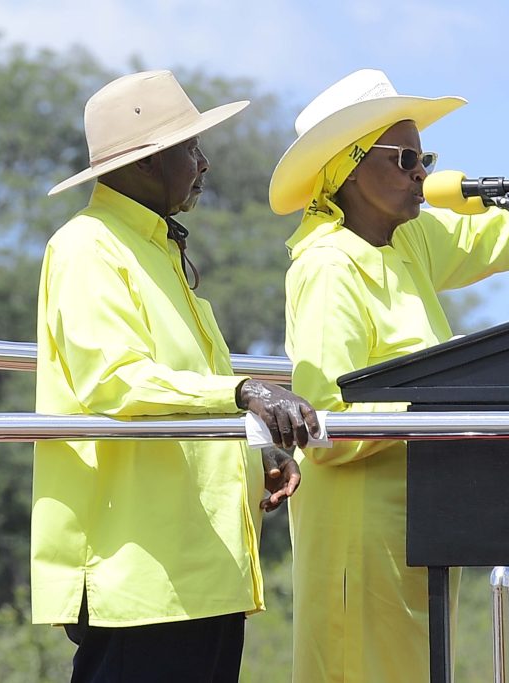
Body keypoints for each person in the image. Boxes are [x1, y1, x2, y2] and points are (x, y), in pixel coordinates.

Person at [269, 25, 509, 682]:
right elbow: (325, 423)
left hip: (420, 523)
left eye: (424, 157)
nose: (422, 172)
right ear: (350, 169)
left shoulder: (407, 241)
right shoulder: (327, 266)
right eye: (405, 158)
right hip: (359, 537)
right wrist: (437, 409)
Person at [33, 70, 320, 683]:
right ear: (146, 160)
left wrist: (257, 453)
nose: (204, 163)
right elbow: (115, 381)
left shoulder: (157, 248)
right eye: (190, 148)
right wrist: (245, 393)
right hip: (138, 572)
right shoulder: (87, 246)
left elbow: (186, 387)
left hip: (203, 571)